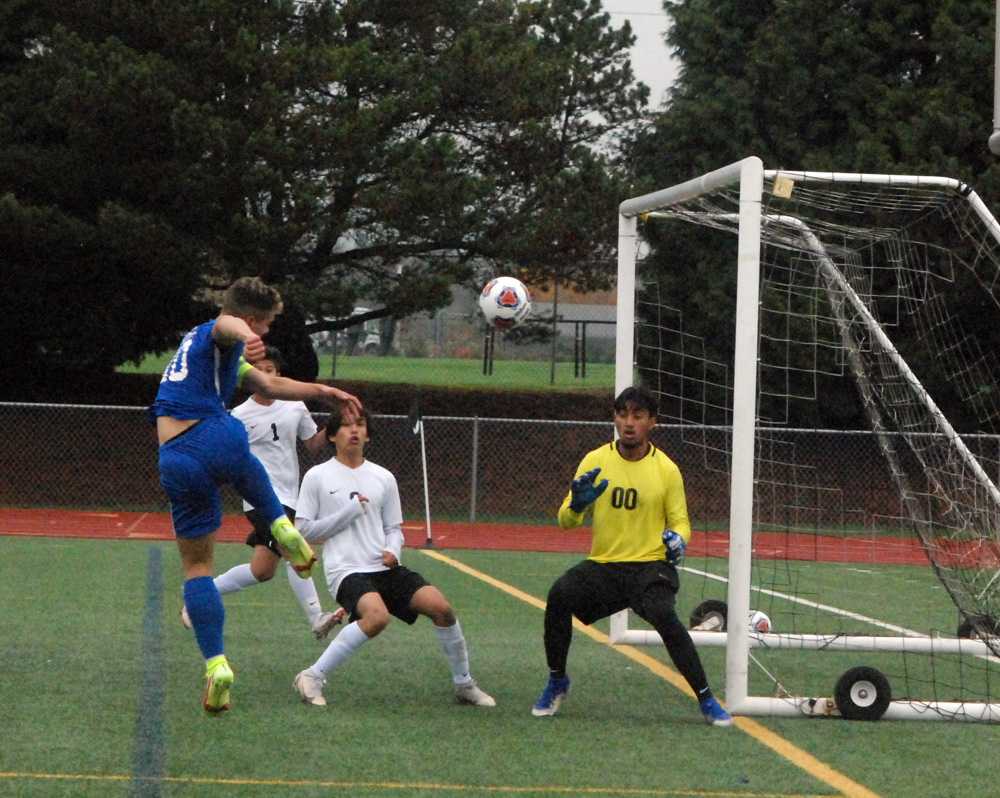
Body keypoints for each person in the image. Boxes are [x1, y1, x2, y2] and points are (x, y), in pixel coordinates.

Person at [151, 276, 362, 715]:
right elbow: (229, 325)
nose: (265, 334)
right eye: (263, 324)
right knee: (244, 461)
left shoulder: (199, 351)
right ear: (248, 317)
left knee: (197, 568)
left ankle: (216, 665)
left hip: (177, 458)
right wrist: (248, 335)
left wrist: (325, 391)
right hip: (216, 436)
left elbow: (271, 386)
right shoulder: (222, 330)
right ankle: (282, 525)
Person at [532, 385, 732, 726]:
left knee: (662, 613)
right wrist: (578, 503)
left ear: (652, 422)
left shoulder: (666, 469)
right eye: (622, 414)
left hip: (650, 566)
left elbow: (681, 521)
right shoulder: (595, 460)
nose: (628, 423)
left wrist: (678, 540)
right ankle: (557, 680)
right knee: (559, 596)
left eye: (637, 416)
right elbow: (566, 520)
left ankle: (706, 698)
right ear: (615, 418)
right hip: (605, 565)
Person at [289, 406, 496, 709]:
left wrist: (392, 551)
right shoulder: (317, 477)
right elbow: (303, 530)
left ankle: (464, 684)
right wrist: (348, 513)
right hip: (346, 570)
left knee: (442, 608)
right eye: (346, 426)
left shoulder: (383, 477)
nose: (354, 430)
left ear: (369, 434)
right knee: (377, 617)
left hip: (383, 567)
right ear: (332, 435)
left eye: (360, 424)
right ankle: (312, 676)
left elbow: (393, 529)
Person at [180, 346, 345, 641]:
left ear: (278, 374)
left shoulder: (295, 407)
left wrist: (332, 425)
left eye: (271, 370)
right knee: (294, 547)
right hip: (259, 497)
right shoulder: (239, 416)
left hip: (291, 496)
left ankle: (199, 595)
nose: (266, 375)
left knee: (262, 570)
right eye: (260, 371)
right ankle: (316, 616)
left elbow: (312, 445)